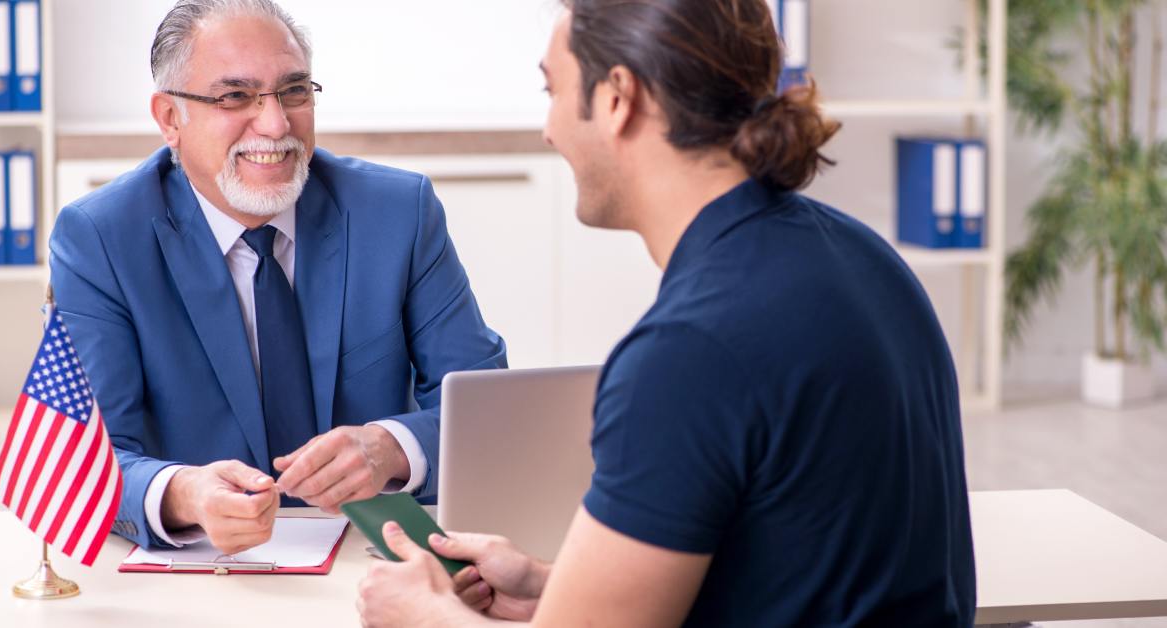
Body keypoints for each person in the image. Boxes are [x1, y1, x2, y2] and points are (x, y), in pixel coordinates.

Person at [354, 0, 976, 625]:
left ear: (619, 97)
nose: (549, 129)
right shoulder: (862, 256)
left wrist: (425, 615)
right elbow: (803, 562)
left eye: (554, 90)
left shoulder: (688, 353)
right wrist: (560, 587)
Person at [48, 0, 506, 555]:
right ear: (170, 118)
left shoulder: (398, 212)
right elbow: (83, 457)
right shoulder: (100, 237)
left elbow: (486, 407)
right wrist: (180, 494)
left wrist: (393, 446)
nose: (275, 124)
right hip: (203, 567)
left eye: (293, 92)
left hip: (374, 553)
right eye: (235, 96)